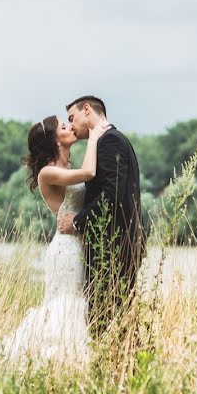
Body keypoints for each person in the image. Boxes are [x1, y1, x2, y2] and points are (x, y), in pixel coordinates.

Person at [0, 115, 111, 369]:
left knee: (79, 303)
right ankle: (56, 363)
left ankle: (72, 362)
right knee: (66, 303)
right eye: (63, 126)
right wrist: (95, 135)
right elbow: (89, 173)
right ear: (54, 140)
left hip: (80, 243)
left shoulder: (66, 168)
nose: (70, 127)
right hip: (65, 250)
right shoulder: (48, 172)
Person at [57, 95, 145, 335]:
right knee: (115, 318)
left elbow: (111, 193)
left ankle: (116, 368)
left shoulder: (109, 142)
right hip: (117, 244)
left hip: (113, 246)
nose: (71, 125)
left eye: (72, 118)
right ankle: (121, 367)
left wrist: (77, 221)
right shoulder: (108, 141)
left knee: (106, 318)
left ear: (87, 110)